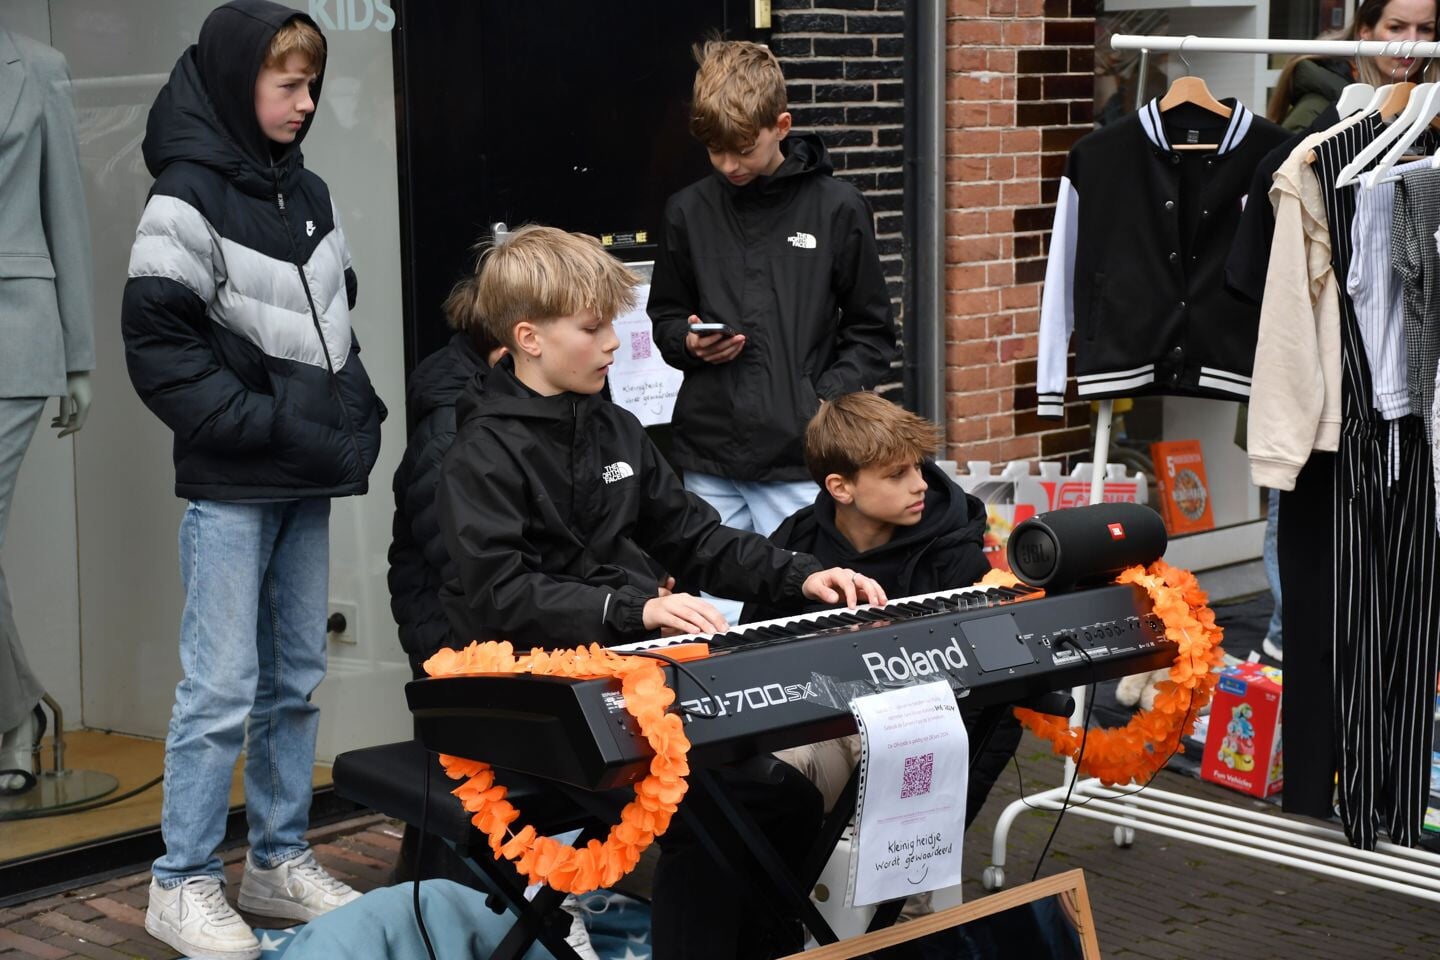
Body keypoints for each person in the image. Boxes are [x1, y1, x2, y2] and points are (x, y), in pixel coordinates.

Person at [435, 224, 886, 959]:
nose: (615, 342)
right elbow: (500, 596)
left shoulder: (617, 429)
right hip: (538, 698)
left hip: (638, 678)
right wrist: (631, 608)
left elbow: (698, 539)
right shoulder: (479, 453)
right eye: (592, 326)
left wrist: (802, 573)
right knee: (733, 803)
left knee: (778, 796)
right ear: (529, 338)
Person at [121, 4, 385, 958]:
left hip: (301, 479)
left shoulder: (307, 190)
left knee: (297, 681)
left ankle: (275, 861)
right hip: (236, 486)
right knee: (221, 687)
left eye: (313, 86)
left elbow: (334, 327)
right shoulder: (185, 197)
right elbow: (160, 351)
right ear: (242, 84)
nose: (307, 103)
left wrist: (350, 421)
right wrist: (269, 428)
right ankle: (181, 881)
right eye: (288, 86)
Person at [647, 39, 898, 620]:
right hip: (707, 451)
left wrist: (818, 400)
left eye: (743, 149)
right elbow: (663, 316)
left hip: (798, 456)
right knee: (711, 619)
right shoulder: (686, 210)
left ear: (780, 126)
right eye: (714, 151)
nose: (729, 165)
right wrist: (687, 342)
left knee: (808, 613)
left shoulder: (837, 207)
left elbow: (872, 333)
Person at [744, 393, 1015, 843]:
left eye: (918, 466)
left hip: (916, 755)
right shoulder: (797, 539)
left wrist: (948, 818)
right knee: (755, 773)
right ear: (840, 488)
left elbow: (1000, 708)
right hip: (819, 731)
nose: (920, 484)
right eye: (897, 474)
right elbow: (753, 651)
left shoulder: (957, 563)